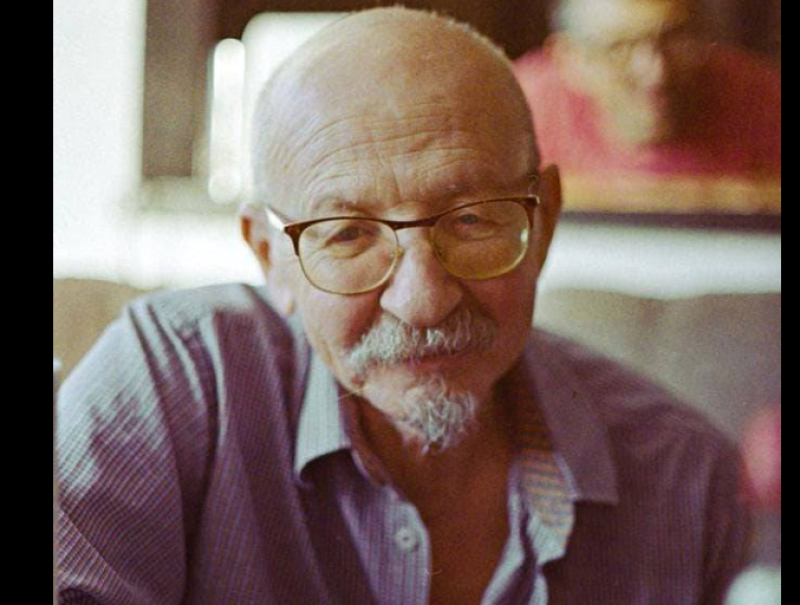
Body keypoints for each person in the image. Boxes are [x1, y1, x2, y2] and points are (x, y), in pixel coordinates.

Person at [57, 7, 749, 604]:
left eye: (471, 219)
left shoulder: (683, 478)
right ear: (272, 258)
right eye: (348, 234)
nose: (423, 301)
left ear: (543, 223)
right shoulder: (172, 381)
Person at [513, 0, 781, 182]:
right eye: (619, 48)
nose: (656, 74)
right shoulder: (515, 108)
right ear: (570, 60)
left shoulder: (765, 101)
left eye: (673, 37)